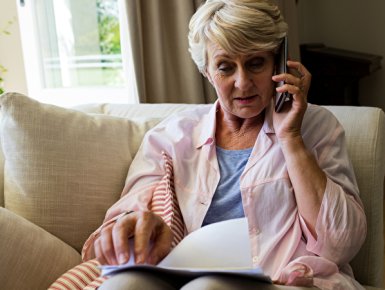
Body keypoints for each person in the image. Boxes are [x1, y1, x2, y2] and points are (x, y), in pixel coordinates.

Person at [86, 0, 367, 289]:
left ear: (278, 62)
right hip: (186, 276)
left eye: (256, 63)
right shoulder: (170, 136)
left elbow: (341, 243)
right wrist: (135, 226)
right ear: (206, 71)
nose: (242, 83)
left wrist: (291, 139)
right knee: (122, 286)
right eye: (225, 67)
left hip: (286, 280)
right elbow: (130, 212)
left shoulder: (316, 127)